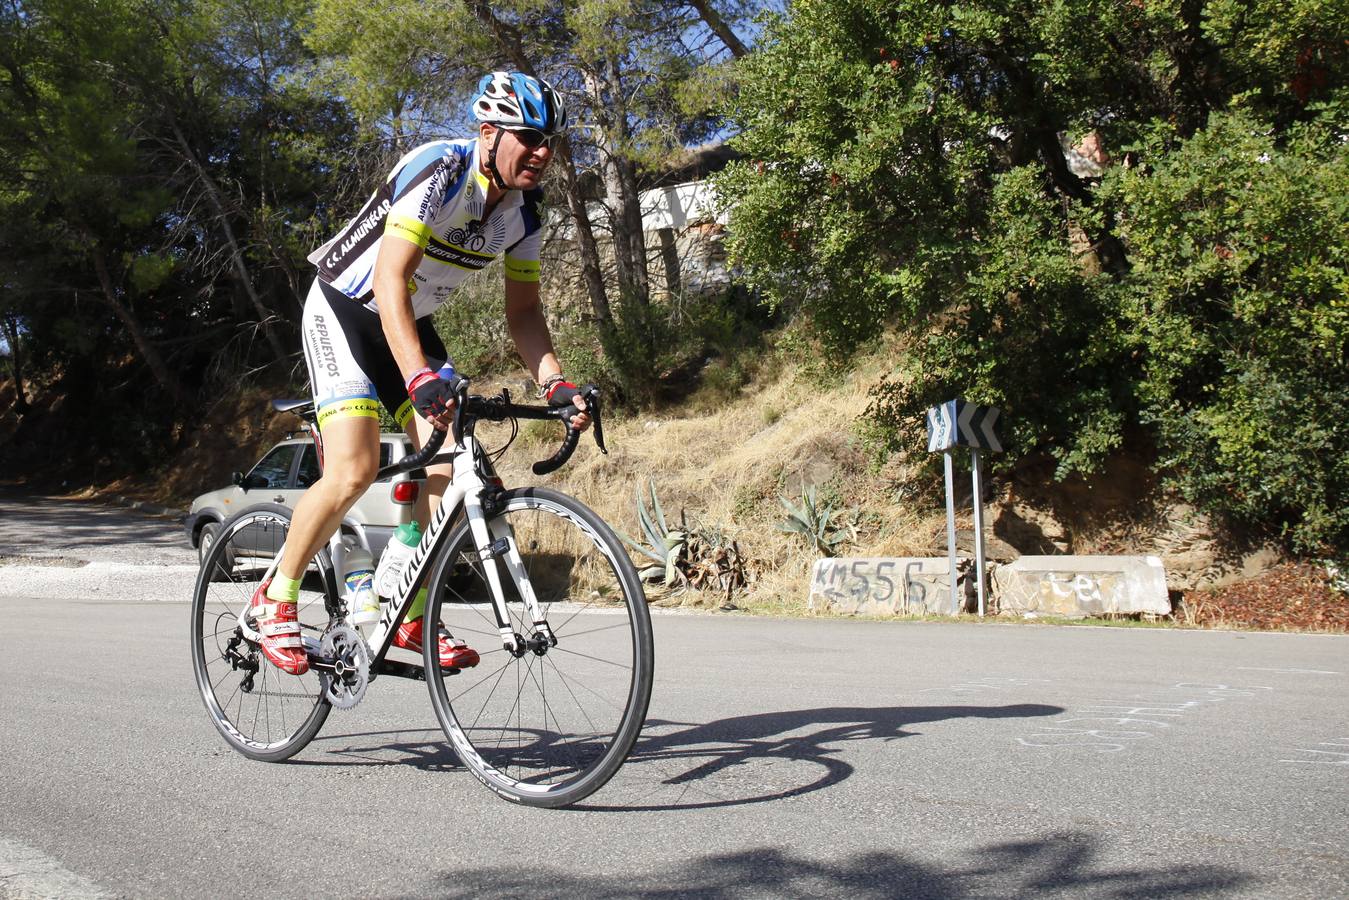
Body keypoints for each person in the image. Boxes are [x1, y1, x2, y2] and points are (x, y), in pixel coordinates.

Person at [249, 71, 589, 676]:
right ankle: (274, 599)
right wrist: (418, 378)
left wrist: (556, 384)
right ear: (488, 132)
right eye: (529, 136)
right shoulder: (440, 169)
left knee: (455, 469)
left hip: (408, 321)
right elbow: (387, 280)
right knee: (356, 466)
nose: (542, 152)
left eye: (551, 141)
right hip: (347, 311)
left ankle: (406, 608)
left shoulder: (525, 215)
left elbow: (525, 311)